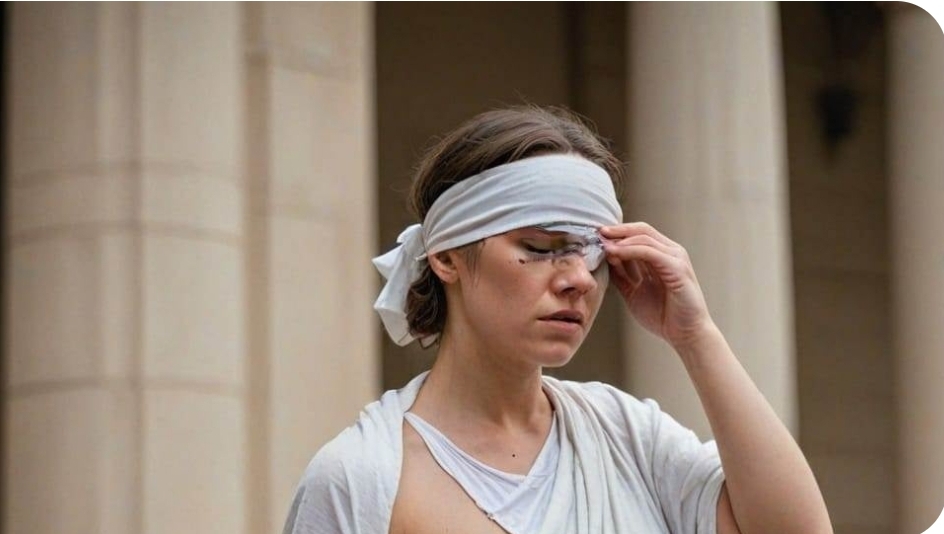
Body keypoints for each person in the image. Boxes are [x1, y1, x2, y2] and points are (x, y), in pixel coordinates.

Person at [282, 106, 832, 534]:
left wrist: (695, 336)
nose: (579, 279)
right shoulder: (361, 478)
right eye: (541, 248)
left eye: (592, 254)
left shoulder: (627, 436)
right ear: (446, 256)